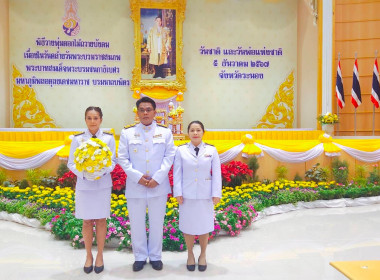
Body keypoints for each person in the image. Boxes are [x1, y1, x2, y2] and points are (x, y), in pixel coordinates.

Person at [118, 96, 176, 272]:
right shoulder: (127, 133)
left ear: (154, 112)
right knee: (136, 223)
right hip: (136, 186)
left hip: (158, 185)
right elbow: (122, 157)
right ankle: (140, 257)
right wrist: (138, 177)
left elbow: (170, 156)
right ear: (137, 112)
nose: (145, 113)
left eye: (148, 109)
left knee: (157, 222)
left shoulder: (165, 132)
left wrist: (157, 177)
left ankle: (156, 256)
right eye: (141, 109)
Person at [67, 106, 116, 274]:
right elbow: (71, 163)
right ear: (85, 120)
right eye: (89, 118)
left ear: (101, 119)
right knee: (87, 221)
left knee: (101, 220)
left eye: (96, 118)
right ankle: (88, 255)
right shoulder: (77, 139)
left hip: (102, 184)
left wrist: (101, 171)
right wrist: (85, 173)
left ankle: (100, 255)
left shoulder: (109, 139)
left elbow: (113, 162)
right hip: (84, 185)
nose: (92, 121)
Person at [173, 121, 222, 272]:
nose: (195, 133)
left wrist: (216, 193)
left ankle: (203, 255)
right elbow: (177, 173)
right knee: (188, 226)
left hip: (205, 195)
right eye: (192, 130)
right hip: (186, 195)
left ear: (203, 132)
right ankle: (190, 254)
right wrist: (178, 192)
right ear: (188, 133)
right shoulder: (180, 150)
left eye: (198, 130)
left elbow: (216, 173)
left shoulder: (211, 150)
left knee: (203, 227)